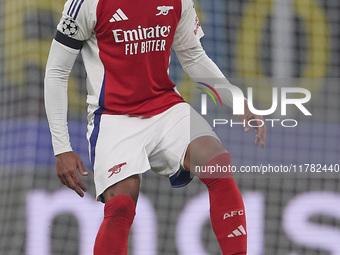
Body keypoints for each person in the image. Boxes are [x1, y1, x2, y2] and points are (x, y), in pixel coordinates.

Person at [44, 0, 266, 254]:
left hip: (165, 105)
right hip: (115, 117)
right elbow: (57, 72)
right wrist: (62, 148)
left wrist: (236, 100)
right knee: (121, 206)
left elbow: (192, 56)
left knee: (218, 164)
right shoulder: (87, 4)